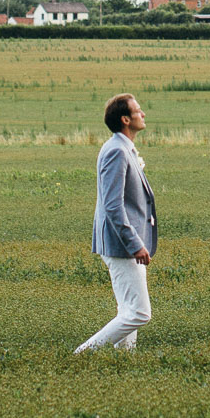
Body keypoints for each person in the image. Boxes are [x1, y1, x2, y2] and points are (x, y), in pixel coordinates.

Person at [75, 93, 158, 353]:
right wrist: (135, 244)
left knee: (128, 310)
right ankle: (83, 354)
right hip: (121, 245)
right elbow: (113, 206)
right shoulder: (116, 152)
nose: (143, 114)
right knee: (140, 313)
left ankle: (124, 360)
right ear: (125, 119)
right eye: (138, 111)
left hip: (126, 243)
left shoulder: (123, 148)